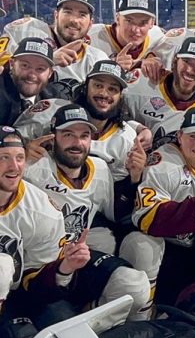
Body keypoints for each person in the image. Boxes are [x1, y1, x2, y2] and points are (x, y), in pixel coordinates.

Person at [22, 104, 151, 321]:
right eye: (68, 134)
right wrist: (18, 152)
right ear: (52, 137)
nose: (77, 143)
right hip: (37, 268)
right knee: (62, 327)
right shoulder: (32, 166)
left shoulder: (99, 168)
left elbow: (116, 215)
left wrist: (134, 179)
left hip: (78, 258)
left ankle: (89, 317)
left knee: (135, 285)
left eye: (84, 135)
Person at [121, 107, 195, 309]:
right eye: (193, 136)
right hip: (159, 247)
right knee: (143, 244)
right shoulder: (162, 162)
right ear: (180, 135)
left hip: (193, 256)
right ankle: (138, 313)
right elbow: (145, 219)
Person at [0, 127, 91, 338]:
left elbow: (35, 282)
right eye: (4, 158)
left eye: (20, 158)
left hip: (19, 293)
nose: (14, 167)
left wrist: (63, 268)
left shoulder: (42, 210)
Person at [13, 59, 145, 181]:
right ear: (85, 87)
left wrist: (134, 178)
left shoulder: (127, 139)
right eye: (98, 85)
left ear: (120, 97)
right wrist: (22, 152)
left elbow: (112, 194)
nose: (104, 94)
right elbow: (8, 142)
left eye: (112, 89)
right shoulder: (50, 110)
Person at [123, 36, 195, 151]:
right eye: (186, 61)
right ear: (175, 61)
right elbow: (110, 117)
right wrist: (138, 128)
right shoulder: (143, 81)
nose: (190, 70)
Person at [0, 0, 109, 92]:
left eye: (82, 14)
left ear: (90, 23)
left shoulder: (97, 59)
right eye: (68, 11)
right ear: (56, 15)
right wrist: (45, 60)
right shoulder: (25, 29)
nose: (74, 20)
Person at [87, 0, 166, 71]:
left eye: (143, 22)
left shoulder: (157, 36)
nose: (136, 30)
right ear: (117, 18)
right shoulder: (93, 36)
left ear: (152, 23)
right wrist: (111, 67)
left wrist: (151, 56)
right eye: (129, 21)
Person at [0, 38, 67, 126]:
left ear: (50, 73)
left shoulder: (56, 100)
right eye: (25, 65)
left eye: (40, 69)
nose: (32, 75)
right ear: (12, 64)